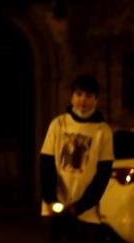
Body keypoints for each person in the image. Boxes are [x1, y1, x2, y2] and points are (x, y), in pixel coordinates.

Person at [40, 74, 114, 243]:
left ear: (96, 100)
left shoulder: (103, 132)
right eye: (79, 94)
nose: (83, 100)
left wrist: (81, 206)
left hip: (86, 213)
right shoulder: (58, 124)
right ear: (72, 96)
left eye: (88, 96)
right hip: (55, 206)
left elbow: (102, 175)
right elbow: (46, 163)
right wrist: (50, 198)